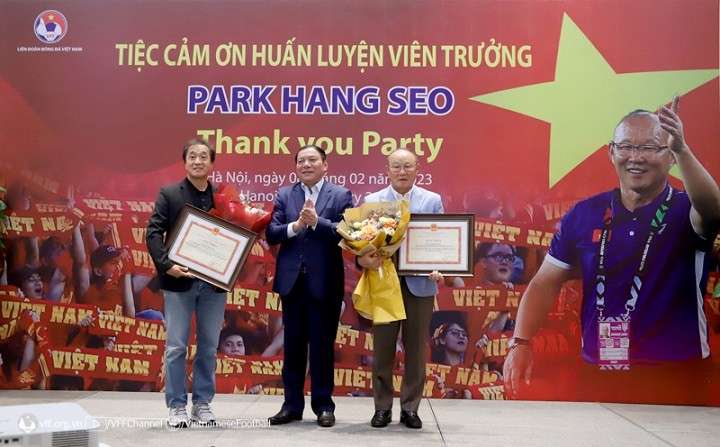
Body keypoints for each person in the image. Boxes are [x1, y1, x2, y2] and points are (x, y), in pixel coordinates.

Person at [503, 96, 720, 405]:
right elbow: (544, 283)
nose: (636, 157)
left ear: (670, 157)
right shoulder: (584, 214)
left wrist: (682, 149)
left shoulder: (688, 209)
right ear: (611, 152)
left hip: (676, 374)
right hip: (599, 372)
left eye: (650, 148)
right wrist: (520, 341)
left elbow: (713, 210)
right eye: (627, 146)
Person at [265, 144, 353, 428]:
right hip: (292, 283)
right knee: (293, 346)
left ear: (325, 165)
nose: (306, 164)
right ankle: (291, 405)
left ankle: (324, 406)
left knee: (322, 347)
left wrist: (317, 223)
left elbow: (348, 233)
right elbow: (272, 233)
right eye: (301, 160)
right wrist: (296, 226)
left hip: (325, 282)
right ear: (295, 167)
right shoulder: (284, 194)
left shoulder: (340, 195)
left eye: (312, 159)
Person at [357, 148, 445, 429]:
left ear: (418, 169)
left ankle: (410, 408)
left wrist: (440, 266)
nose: (402, 172)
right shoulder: (372, 200)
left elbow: (442, 241)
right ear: (387, 170)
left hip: (421, 284)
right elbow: (363, 244)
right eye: (396, 166)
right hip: (384, 283)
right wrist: (364, 259)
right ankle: (382, 407)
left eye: (408, 166)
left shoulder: (432, 200)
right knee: (382, 349)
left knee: (416, 350)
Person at [146, 138, 226, 428]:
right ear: (185, 162)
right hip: (179, 281)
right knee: (176, 347)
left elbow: (234, 235)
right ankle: (177, 405)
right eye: (192, 156)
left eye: (203, 156)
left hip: (213, 284)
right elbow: (153, 233)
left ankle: (202, 403)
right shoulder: (169, 194)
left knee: (208, 347)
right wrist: (168, 266)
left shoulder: (223, 197)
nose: (197, 161)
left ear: (212, 163)